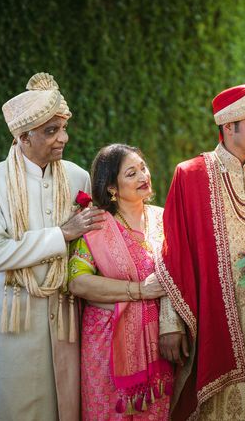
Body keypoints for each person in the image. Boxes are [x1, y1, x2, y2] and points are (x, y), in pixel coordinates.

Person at [154, 76, 245, 420]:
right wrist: (169, 322)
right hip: (210, 322)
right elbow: (174, 252)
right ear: (228, 126)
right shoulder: (190, 175)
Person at [0, 73, 106, 420]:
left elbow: (87, 248)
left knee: (62, 406)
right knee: (11, 406)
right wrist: (61, 234)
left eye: (62, 128)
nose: (62, 138)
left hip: (64, 315)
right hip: (13, 318)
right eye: (50, 131)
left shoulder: (77, 176)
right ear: (23, 136)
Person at [68, 144, 173, 420]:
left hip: (159, 340)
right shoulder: (98, 226)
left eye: (143, 168)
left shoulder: (164, 218)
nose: (143, 176)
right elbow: (78, 282)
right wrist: (138, 291)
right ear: (112, 187)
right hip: (107, 343)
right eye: (131, 173)